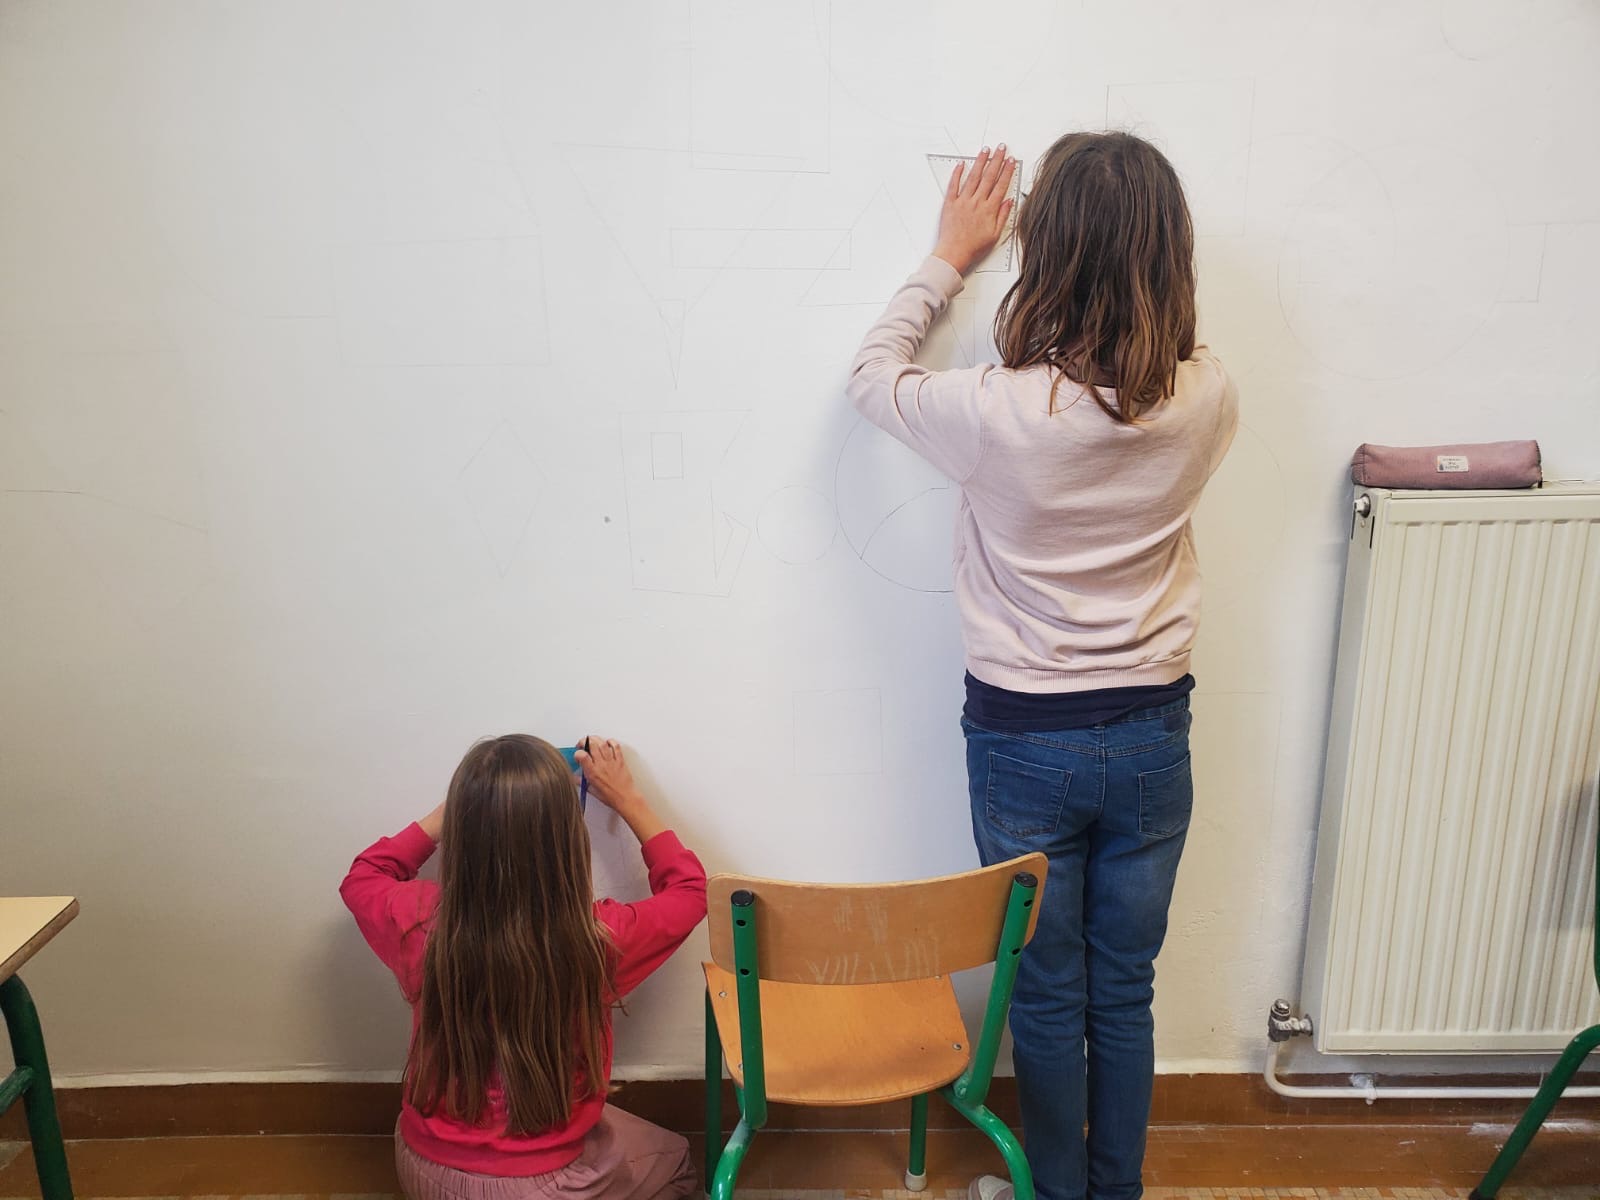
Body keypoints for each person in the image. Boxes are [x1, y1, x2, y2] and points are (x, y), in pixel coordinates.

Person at [845, 133, 1239, 1200]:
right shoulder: (1208, 396)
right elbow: (1160, 359)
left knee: (1050, 994)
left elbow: (872, 376)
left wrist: (949, 254)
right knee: (1125, 990)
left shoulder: (995, 411)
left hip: (1025, 741)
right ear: (1171, 256)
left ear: (1046, 251)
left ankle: (1058, 1196)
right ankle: (1116, 1192)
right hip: (1153, 734)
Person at [340, 734, 706, 1200]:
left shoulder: (417, 923)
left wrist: (467, 804)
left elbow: (365, 873)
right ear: (566, 840)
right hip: (539, 1188)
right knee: (676, 1160)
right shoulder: (596, 939)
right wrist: (628, 798)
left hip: (421, 1167)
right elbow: (690, 890)